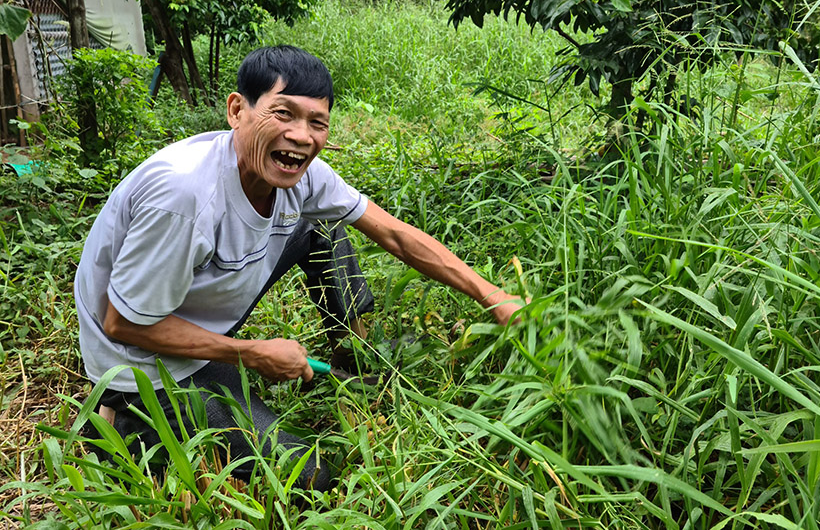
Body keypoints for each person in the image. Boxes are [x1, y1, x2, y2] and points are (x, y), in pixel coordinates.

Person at [74, 45, 523, 490]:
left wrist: (492, 295)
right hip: (145, 356)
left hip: (197, 306)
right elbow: (123, 323)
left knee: (322, 228)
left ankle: (353, 356)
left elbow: (394, 234)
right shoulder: (185, 198)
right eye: (283, 113)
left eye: (316, 122)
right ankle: (117, 417)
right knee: (307, 475)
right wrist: (254, 353)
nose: (301, 136)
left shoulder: (303, 176)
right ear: (237, 111)